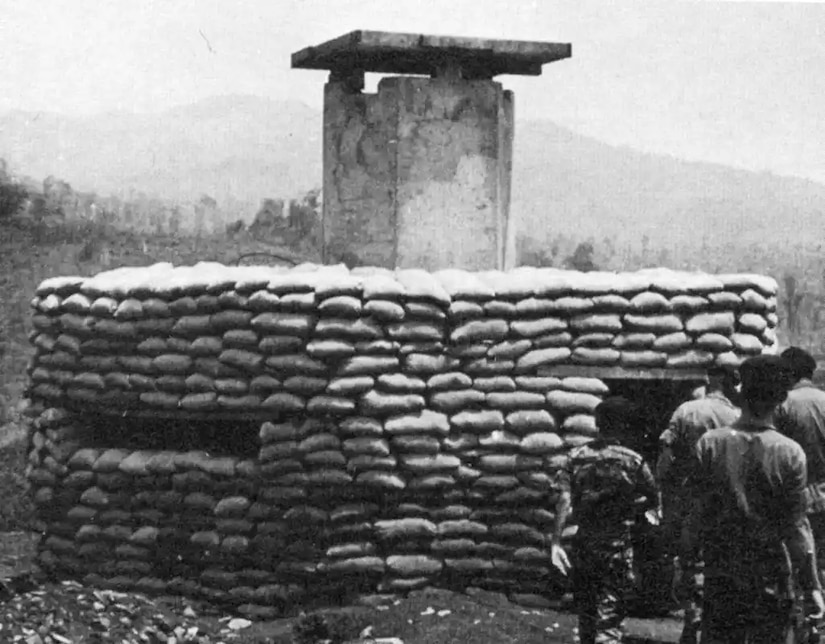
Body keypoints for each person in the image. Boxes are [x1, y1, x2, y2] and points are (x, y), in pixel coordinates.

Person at [679, 354, 825, 643]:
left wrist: (685, 568)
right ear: (781, 398)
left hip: (721, 573)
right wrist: (812, 588)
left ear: (740, 392)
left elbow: (695, 515)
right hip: (770, 576)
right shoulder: (790, 453)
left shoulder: (710, 444)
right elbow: (796, 528)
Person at [551, 396, 660, 644]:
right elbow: (653, 499)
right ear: (624, 425)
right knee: (609, 621)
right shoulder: (633, 460)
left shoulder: (576, 457)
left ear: (597, 424)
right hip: (616, 547)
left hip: (585, 545)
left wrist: (556, 542)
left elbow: (564, 501)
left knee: (586, 616)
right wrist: (630, 508)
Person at [657, 365, 742, 642]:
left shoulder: (686, 410)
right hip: (725, 500)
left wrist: (665, 489)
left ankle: (691, 620)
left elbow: (666, 455)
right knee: (720, 561)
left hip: (689, 496)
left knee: (689, 560)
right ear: (731, 384)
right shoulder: (737, 416)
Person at [776, 347, 825, 585]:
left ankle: (807, 618)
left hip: (798, 497)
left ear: (788, 374)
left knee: (802, 564)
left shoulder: (784, 405)